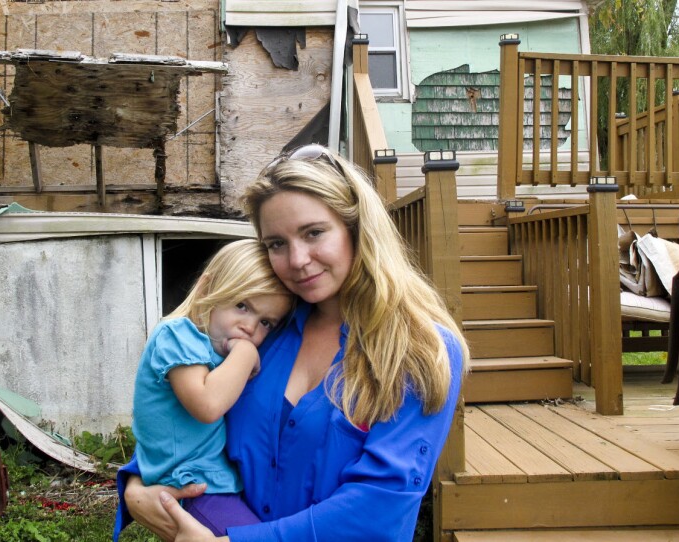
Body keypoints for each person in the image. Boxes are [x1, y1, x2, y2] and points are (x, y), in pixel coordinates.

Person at [115, 144, 468, 542]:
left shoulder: (418, 349)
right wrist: (135, 487)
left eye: (314, 233)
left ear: (357, 229)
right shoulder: (263, 330)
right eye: (276, 244)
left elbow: (379, 503)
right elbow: (179, 418)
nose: (297, 260)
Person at [126, 239, 294, 536]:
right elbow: (207, 405)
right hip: (190, 486)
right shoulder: (177, 334)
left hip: (211, 482)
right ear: (207, 289)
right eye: (242, 306)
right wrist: (245, 354)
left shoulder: (213, 348)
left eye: (266, 322)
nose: (250, 328)